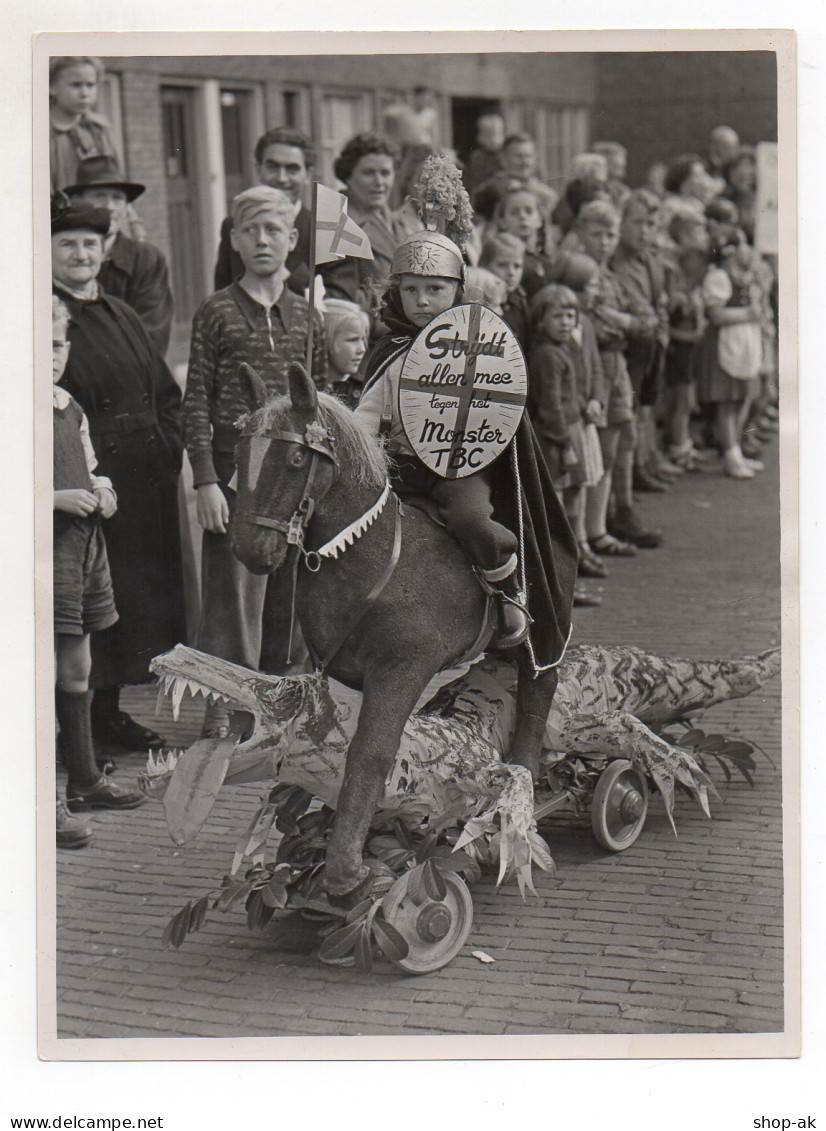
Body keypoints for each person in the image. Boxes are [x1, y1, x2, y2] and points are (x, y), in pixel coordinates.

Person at [357, 229, 577, 657]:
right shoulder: (392, 349)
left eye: (434, 289)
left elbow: (499, 406)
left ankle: (507, 588)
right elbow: (367, 413)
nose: (421, 300)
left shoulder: (482, 346)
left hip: (458, 465)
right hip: (398, 463)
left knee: (471, 517)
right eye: (411, 289)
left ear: (457, 291)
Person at [184, 187, 328, 733]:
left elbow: (323, 400)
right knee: (232, 593)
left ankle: (277, 697)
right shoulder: (217, 311)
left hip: (290, 477)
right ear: (235, 240)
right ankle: (222, 699)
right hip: (234, 472)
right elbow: (196, 397)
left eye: (274, 231)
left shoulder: (307, 317)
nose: (263, 240)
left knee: (288, 590)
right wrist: (204, 480)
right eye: (251, 231)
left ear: (293, 240)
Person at [52, 196, 185, 753]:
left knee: (132, 603)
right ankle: (83, 732)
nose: (81, 254)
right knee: (90, 606)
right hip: (88, 479)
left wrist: (167, 449)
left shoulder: (120, 310)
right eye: (67, 244)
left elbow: (165, 392)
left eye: (90, 243)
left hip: (142, 478)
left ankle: (108, 715)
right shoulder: (48, 317)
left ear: (106, 248)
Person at [52, 295, 146, 844]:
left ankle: (84, 779)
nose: (51, 355)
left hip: (83, 551)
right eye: (38, 345)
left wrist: (102, 490)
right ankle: (41, 803)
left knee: (78, 667)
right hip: (40, 554)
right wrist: (57, 498)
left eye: (59, 344)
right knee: (38, 675)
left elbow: (89, 469)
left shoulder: (69, 407)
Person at [575, 200, 660, 554]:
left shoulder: (612, 277)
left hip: (614, 365)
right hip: (587, 366)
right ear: (581, 234)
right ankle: (585, 533)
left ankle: (601, 525)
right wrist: (616, 322)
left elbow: (645, 321)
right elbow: (583, 319)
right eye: (597, 234)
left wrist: (616, 318)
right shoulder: (576, 272)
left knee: (614, 445)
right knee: (587, 451)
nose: (605, 242)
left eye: (610, 234)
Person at [527, 285, 606, 607]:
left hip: (574, 428)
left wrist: (588, 402)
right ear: (541, 320)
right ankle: (559, 583)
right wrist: (563, 443)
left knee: (574, 498)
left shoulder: (566, 348)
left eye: (570, 315)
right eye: (557, 315)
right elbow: (550, 406)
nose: (565, 322)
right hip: (558, 436)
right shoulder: (546, 354)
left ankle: (572, 569)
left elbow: (573, 390)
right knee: (556, 508)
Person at [65, 155, 174, 356]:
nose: (110, 206)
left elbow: (151, 337)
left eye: (118, 198)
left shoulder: (146, 260)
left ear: (126, 207)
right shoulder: (62, 258)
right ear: (77, 202)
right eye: (99, 196)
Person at [319, 133, 418, 328]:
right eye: (368, 173)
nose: (379, 182)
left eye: (385, 173)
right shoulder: (337, 223)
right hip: (369, 342)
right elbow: (339, 300)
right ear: (347, 175)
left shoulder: (399, 223)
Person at [611, 189, 673, 492]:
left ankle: (643, 462)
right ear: (621, 222)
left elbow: (659, 301)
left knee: (646, 406)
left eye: (651, 224)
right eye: (637, 223)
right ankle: (631, 472)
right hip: (627, 347)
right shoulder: (614, 261)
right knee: (628, 411)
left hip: (651, 344)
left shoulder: (651, 261)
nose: (645, 231)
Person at [696, 216, 764, 480]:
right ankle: (731, 454)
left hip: (742, 342)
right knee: (727, 402)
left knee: (739, 400)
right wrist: (748, 313)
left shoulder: (743, 277)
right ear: (732, 251)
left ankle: (735, 450)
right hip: (725, 342)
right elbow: (715, 315)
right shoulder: (718, 277)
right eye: (744, 245)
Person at [49, 56, 146, 240]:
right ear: (52, 87)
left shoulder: (100, 129)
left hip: (103, 223)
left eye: (90, 85)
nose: (84, 93)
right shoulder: (41, 131)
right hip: (61, 225)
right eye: (76, 85)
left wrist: (133, 223)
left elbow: (117, 180)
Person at [213, 127, 315, 295]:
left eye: (292, 169)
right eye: (272, 167)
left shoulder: (327, 231)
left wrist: (289, 277)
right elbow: (222, 293)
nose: (281, 178)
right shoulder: (234, 224)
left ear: (308, 174)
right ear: (258, 169)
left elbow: (337, 304)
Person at [493, 185, 570, 299]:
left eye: (528, 211)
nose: (522, 216)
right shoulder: (497, 259)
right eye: (514, 212)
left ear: (539, 219)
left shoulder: (548, 259)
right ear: (502, 221)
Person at [472, 133, 559, 224]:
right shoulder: (487, 192)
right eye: (519, 156)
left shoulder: (547, 195)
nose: (524, 162)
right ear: (503, 159)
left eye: (528, 156)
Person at [479, 231, 530, 350]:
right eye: (502, 265)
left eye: (517, 266)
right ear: (484, 265)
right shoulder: (480, 301)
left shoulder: (518, 300)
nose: (511, 273)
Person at [324, 298, 369, 408]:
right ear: (327, 339)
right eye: (353, 340)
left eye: (363, 339)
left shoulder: (367, 391)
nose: (362, 349)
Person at [463, 112, 505, 196]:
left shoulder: (507, 153)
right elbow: (473, 183)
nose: (494, 138)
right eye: (489, 134)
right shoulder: (477, 157)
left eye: (497, 133)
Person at [592, 142, 631, 211]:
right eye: (617, 167)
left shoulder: (622, 191)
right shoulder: (589, 190)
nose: (623, 174)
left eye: (622, 167)